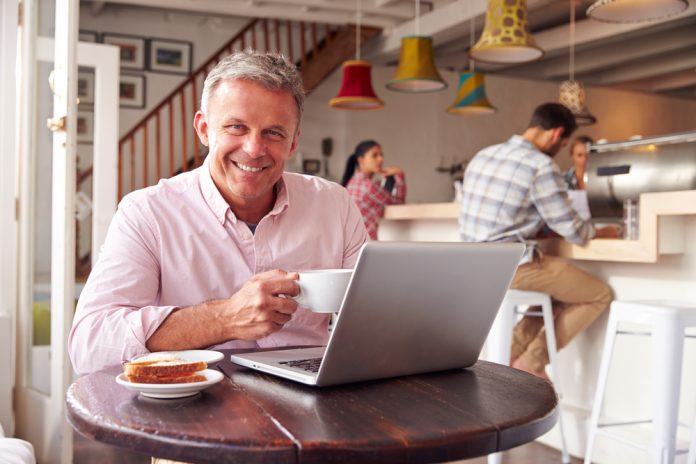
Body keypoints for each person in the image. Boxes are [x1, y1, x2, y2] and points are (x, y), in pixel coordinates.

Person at [69, 51, 368, 375]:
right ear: (204, 129)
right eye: (236, 127)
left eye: (274, 133)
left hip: (313, 406)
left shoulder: (335, 204)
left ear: (293, 142)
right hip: (191, 403)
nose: (254, 149)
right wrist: (224, 318)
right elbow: (90, 344)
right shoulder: (146, 213)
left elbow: (376, 316)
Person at [459, 102, 616, 379]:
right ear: (557, 134)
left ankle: (509, 354)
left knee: (561, 293)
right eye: (564, 142)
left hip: (472, 266)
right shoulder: (540, 165)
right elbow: (574, 230)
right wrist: (602, 231)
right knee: (598, 294)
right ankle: (532, 362)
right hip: (509, 268)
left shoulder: (484, 155)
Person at [340, 140, 406, 240]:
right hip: (367, 244)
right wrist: (400, 175)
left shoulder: (352, 183)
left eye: (381, 155)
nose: (380, 159)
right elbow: (399, 203)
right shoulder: (369, 186)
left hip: (353, 245)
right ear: (361, 160)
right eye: (374, 155)